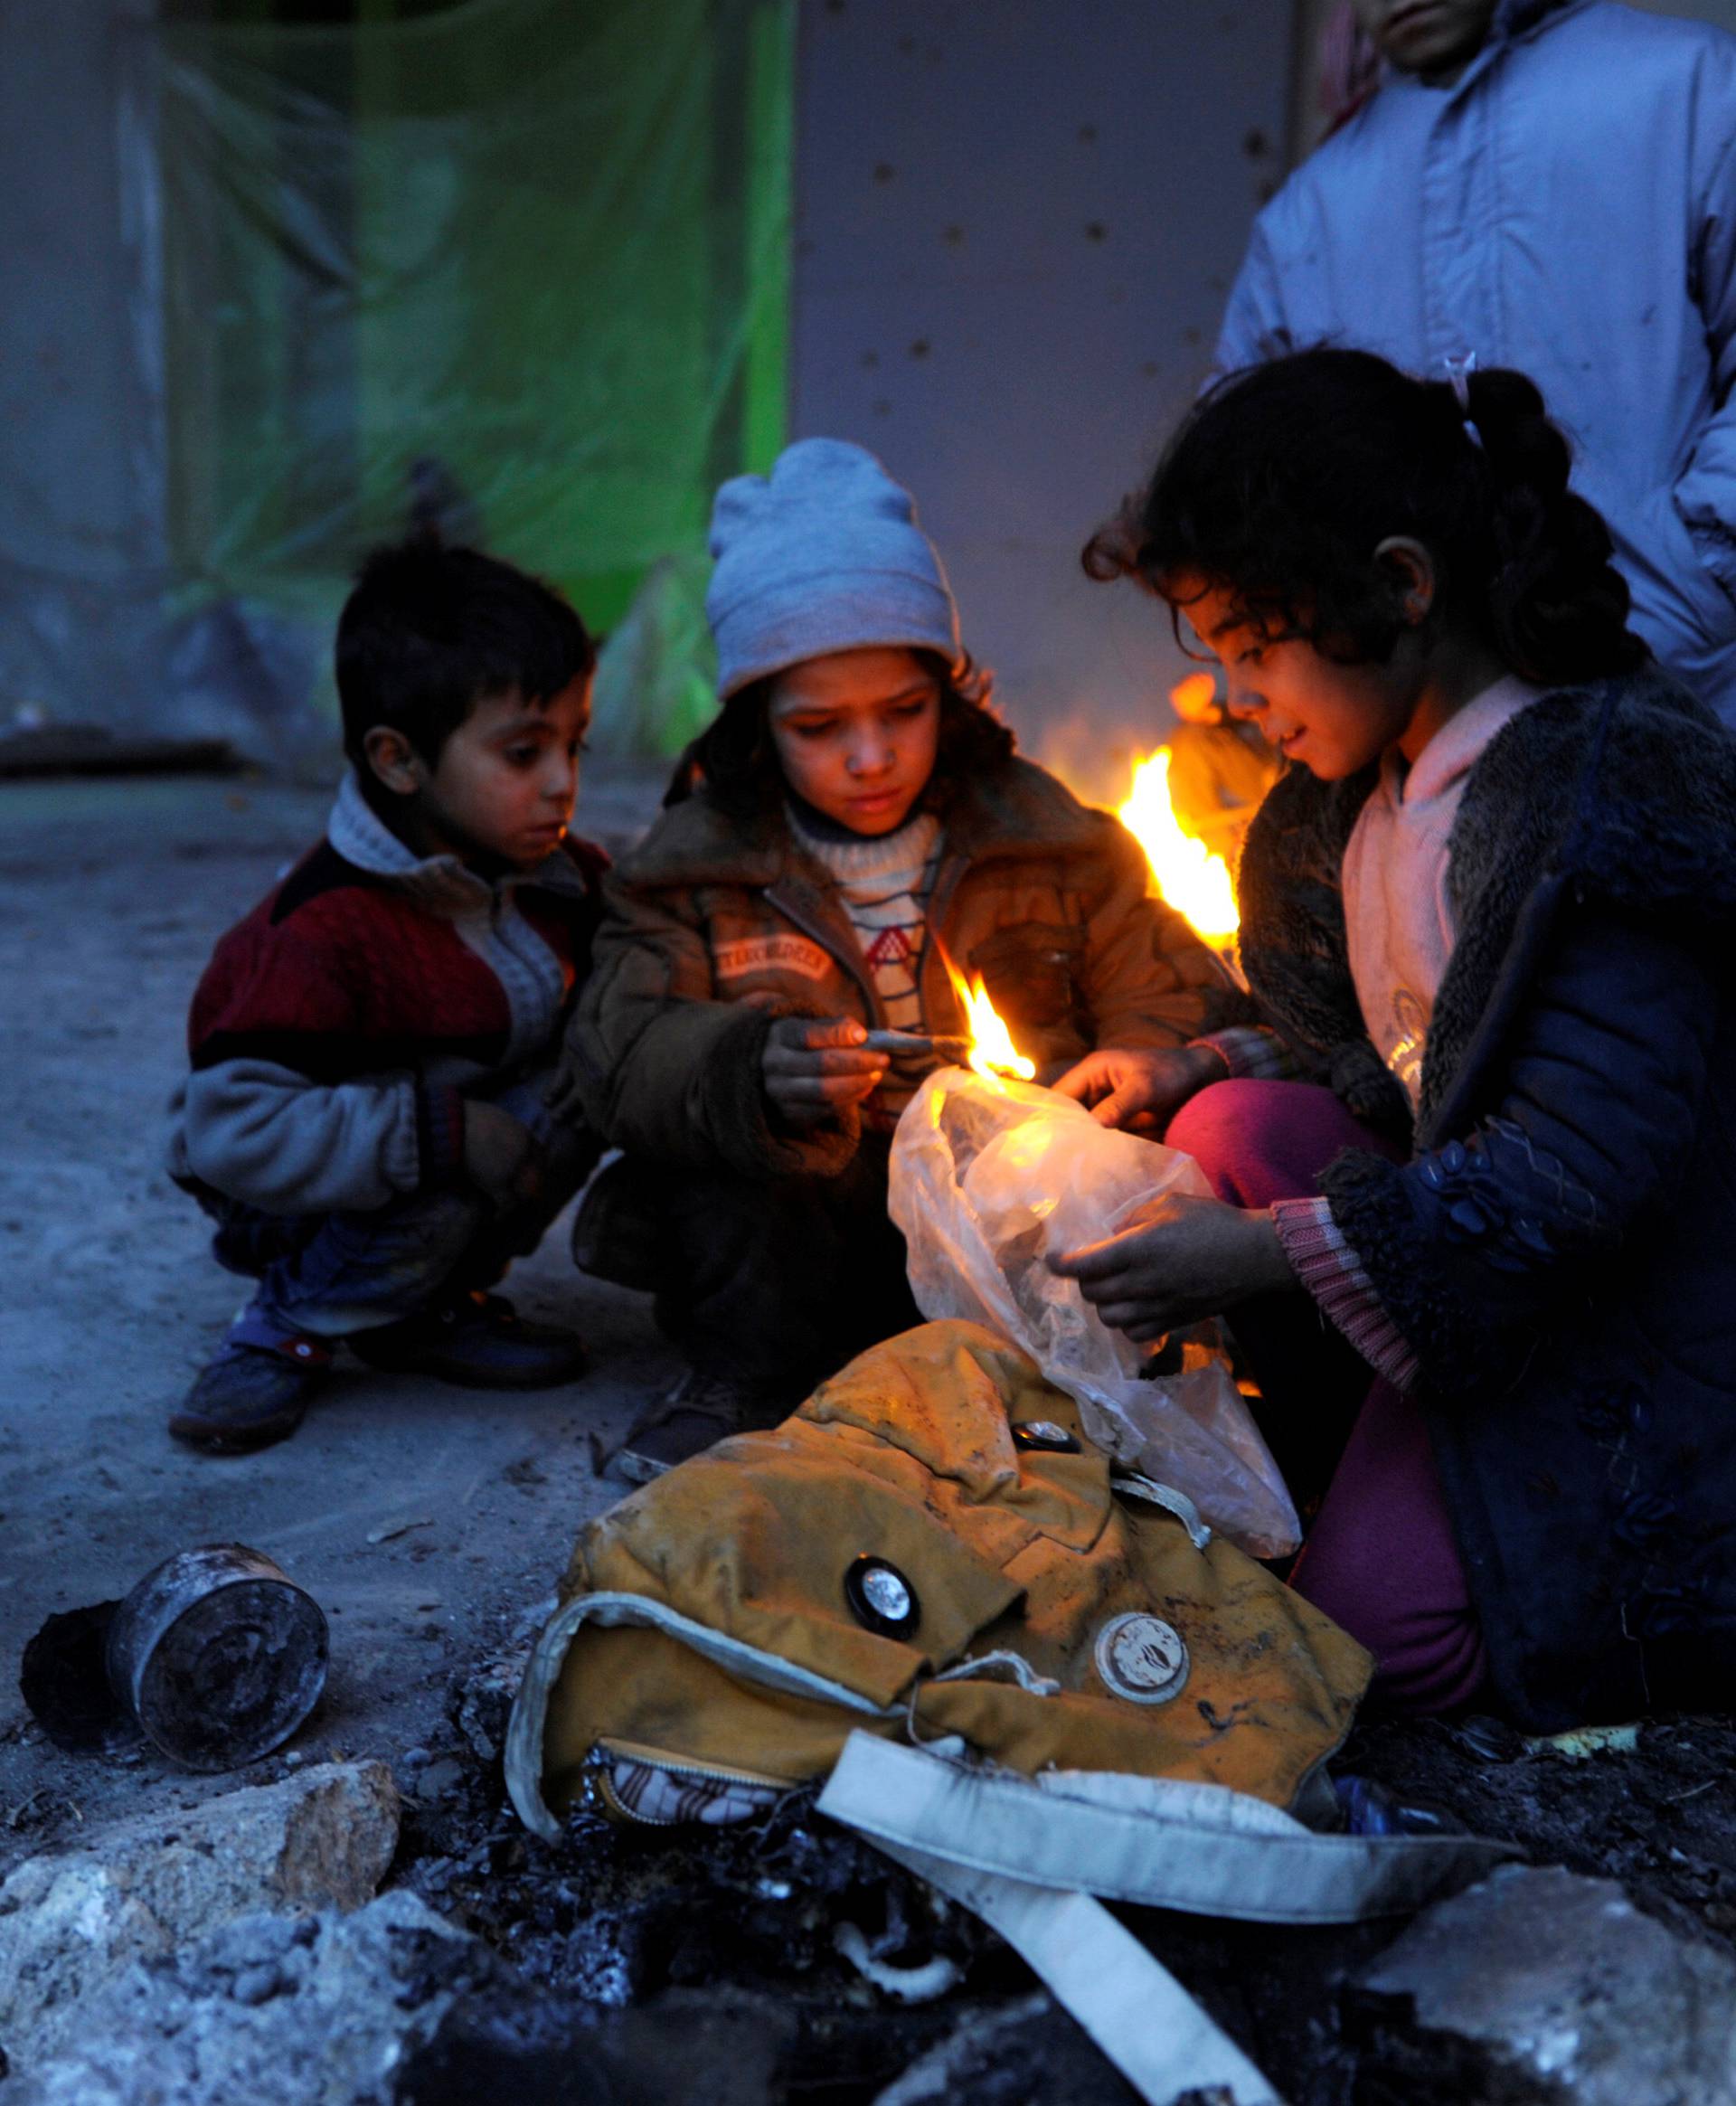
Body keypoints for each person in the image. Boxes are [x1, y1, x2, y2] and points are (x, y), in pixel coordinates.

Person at [1053, 348, 1736, 1733]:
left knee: (1378, 1646)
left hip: (1629, 1313)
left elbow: (1570, 1177)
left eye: (1254, 648)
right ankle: (1379, 1434)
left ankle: (1526, 1541)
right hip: (1467, 1259)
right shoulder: (1371, 802)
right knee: (1227, 1131)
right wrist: (1205, 1064)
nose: (1237, 695)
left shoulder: (1595, 808)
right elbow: (1403, 1070)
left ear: (1403, 585)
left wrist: (1261, 1255)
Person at [557, 438, 1235, 1482]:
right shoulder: (691, 867)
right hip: (805, 1217)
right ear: (756, 727)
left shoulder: (1041, 834)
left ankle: (1031, 1393)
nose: (871, 757)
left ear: (950, 692)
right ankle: (746, 1375)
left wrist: (1149, 1053)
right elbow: (618, 1049)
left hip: (993, 1205)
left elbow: (1157, 966)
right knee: (741, 1177)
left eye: (904, 712)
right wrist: (747, 1068)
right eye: (821, 727)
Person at [165, 539, 606, 1455]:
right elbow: (230, 1134)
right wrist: (439, 1134)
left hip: (426, 1146)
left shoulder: (553, 876)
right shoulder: (322, 930)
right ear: (399, 761)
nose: (564, 781)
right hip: (284, 1187)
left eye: (575, 744)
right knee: (455, 1160)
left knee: (594, 1071)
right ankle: (287, 1322)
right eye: (524, 752)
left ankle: (423, 1306)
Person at [1215, 0, 1736, 723]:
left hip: (1694, 705)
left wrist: (1699, 581)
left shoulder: (1690, 90)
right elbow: (1236, 494)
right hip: (1421, 761)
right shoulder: (1310, 212)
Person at [1163, 670, 1280, 866]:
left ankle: (1226, 856)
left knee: (1190, 740)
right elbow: (1247, 714)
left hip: (1292, 768)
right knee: (1188, 740)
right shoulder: (1244, 705)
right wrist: (1204, 715)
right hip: (1269, 767)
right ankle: (1220, 851)